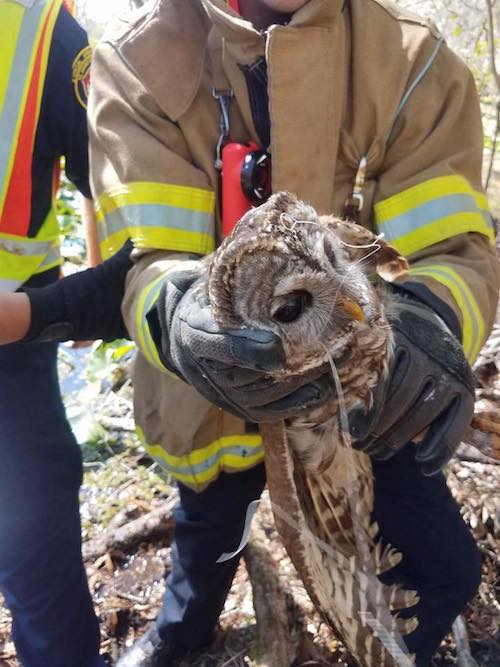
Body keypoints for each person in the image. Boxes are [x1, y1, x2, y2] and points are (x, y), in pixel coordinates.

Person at [1, 1, 499, 666]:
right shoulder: (142, 62)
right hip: (211, 396)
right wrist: (178, 319)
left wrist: (431, 320)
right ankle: (181, 627)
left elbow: (452, 246)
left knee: (435, 564)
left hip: (361, 397)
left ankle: (390, 643)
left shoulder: (408, 60)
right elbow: (144, 261)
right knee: (208, 521)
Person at [0, 1, 107, 665]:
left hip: (15, 331)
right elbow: (116, 190)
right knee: (33, 536)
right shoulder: (47, 35)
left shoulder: (51, 37)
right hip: (14, 342)